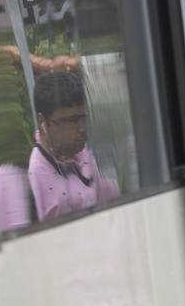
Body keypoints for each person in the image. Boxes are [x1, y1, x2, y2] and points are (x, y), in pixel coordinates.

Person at [28, 71, 120, 221]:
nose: (82, 128)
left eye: (83, 118)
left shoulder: (83, 152)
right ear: (42, 121)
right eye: (71, 121)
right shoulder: (36, 173)